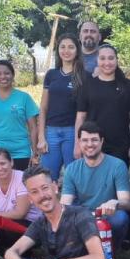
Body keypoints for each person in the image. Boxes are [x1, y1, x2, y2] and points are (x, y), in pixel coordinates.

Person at [61, 121, 130, 249]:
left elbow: (127, 202)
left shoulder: (117, 165)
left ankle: (109, 253)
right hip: (82, 216)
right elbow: (65, 204)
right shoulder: (71, 169)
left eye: (94, 140)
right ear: (79, 142)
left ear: (102, 141)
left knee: (120, 218)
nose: (89, 144)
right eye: (85, 140)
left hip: (107, 215)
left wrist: (115, 203)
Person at [74, 44, 130, 166]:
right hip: (92, 145)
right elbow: (80, 117)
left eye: (111, 58)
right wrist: (78, 144)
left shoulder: (127, 86)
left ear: (116, 60)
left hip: (120, 146)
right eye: (102, 58)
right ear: (97, 61)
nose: (107, 62)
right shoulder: (87, 85)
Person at [0, 60, 40, 171]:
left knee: (19, 186)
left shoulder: (24, 98)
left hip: (20, 153)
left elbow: (33, 127)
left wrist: (35, 152)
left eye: (7, 73)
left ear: (13, 75)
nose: (3, 77)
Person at [38, 34, 85, 180]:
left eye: (71, 47)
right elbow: (43, 107)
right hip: (51, 133)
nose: (66, 51)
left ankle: (73, 203)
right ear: (58, 50)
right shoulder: (51, 75)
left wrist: (79, 140)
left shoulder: (83, 76)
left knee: (74, 178)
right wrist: (41, 137)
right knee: (47, 178)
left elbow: (83, 112)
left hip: (72, 132)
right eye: (62, 47)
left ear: (77, 50)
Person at [0, 149, 41, 256]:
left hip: (30, 223)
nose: (0, 168)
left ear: (11, 162)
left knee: (7, 229)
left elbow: (21, 213)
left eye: (3, 163)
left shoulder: (22, 178)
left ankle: (24, 254)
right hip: (5, 221)